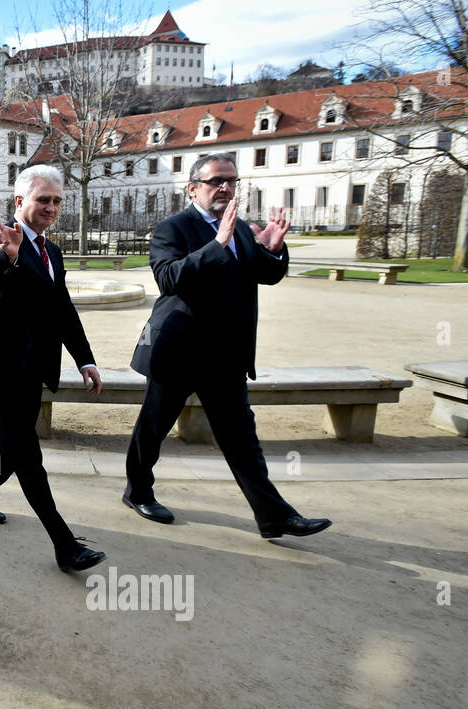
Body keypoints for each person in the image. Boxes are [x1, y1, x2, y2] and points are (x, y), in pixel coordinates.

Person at [124, 152, 331, 540]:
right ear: (193, 188)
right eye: (216, 180)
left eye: (232, 181)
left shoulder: (240, 230)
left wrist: (271, 248)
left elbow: (265, 276)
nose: (225, 187)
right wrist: (217, 244)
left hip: (227, 356)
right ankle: (137, 491)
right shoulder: (173, 228)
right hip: (178, 351)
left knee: (241, 439)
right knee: (153, 429)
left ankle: (273, 516)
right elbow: (169, 279)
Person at [0, 165, 106, 574]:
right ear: (20, 201)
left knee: (12, 442)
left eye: (57, 200)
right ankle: (64, 543)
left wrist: (85, 359)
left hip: (31, 363)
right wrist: (9, 253)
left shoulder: (52, 251)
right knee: (26, 449)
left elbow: (62, 309)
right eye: (44, 200)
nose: (52, 207)